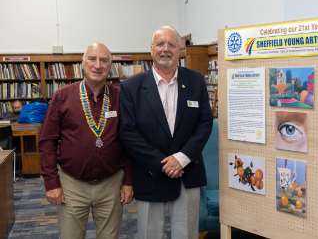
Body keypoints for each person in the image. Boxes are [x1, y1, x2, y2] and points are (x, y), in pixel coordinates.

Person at [119, 26, 213, 239]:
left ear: (180, 49)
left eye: (171, 44)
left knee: (187, 234)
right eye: (160, 44)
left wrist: (181, 159)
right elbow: (128, 133)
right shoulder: (131, 87)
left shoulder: (196, 81)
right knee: (149, 233)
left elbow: (205, 123)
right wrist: (163, 163)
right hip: (150, 174)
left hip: (187, 172)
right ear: (151, 49)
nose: (165, 49)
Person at [39, 42, 133, 239]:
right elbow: (47, 141)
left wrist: (128, 181)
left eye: (104, 60)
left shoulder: (121, 96)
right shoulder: (62, 96)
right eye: (92, 59)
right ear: (83, 63)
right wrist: (51, 182)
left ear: (110, 65)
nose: (97, 65)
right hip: (72, 185)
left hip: (111, 183)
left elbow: (129, 141)